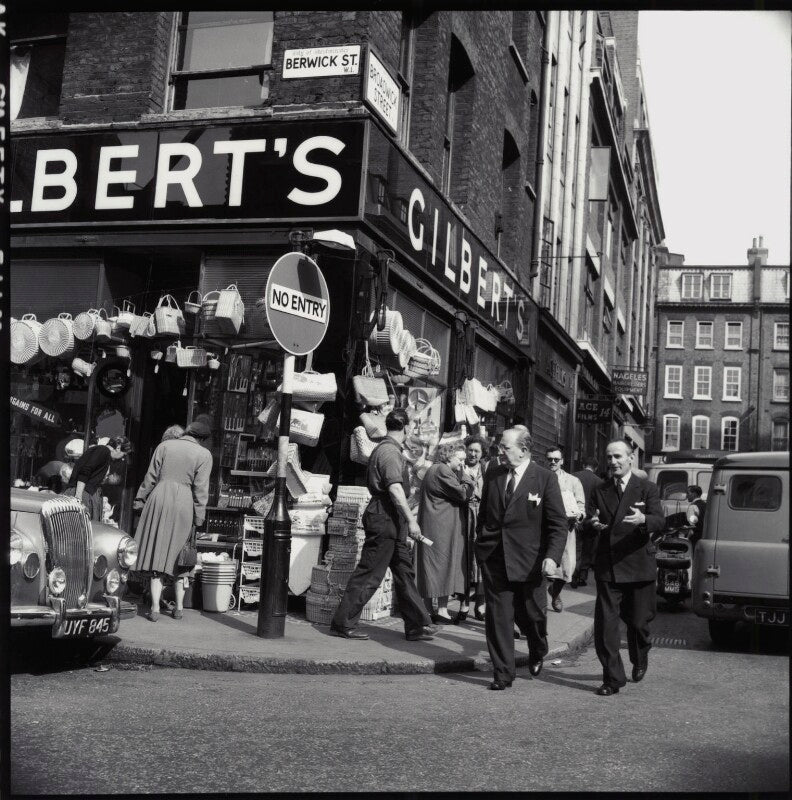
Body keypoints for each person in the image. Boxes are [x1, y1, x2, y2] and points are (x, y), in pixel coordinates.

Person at [475, 426, 568, 690]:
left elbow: (558, 524)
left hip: (530, 561)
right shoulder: (493, 473)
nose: (499, 452)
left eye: (505, 447)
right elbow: (485, 514)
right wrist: (480, 543)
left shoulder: (544, 478)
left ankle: (538, 647)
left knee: (532, 614)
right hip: (494, 557)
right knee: (498, 617)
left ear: (524, 450)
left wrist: (552, 557)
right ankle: (503, 673)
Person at [331, 410, 436, 641]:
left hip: (391, 518)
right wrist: (411, 521)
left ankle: (417, 625)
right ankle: (343, 623)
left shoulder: (389, 449)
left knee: (404, 573)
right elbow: (395, 489)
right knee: (370, 573)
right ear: (406, 428)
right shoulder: (389, 451)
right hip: (385, 517)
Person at [590, 439, 664, 696]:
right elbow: (592, 516)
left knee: (638, 622)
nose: (613, 462)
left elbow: (659, 520)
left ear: (631, 458)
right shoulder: (600, 489)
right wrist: (593, 523)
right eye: (609, 457)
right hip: (609, 566)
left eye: (618, 457)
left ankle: (641, 655)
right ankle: (612, 679)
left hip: (638, 565)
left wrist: (644, 519)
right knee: (606, 626)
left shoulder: (647, 488)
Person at [133, 420, 213, 622]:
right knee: (180, 557)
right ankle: (178, 608)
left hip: (159, 497)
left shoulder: (164, 446)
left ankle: (154, 608)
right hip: (183, 502)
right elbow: (201, 490)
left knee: (156, 555)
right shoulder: (204, 455)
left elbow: (150, 477)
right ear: (202, 439)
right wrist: (199, 517)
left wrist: (140, 499)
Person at [415, 442, 474, 623]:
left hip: (435, 524)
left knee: (432, 564)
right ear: (449, 456)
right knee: (442, 563)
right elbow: (464, 493)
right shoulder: (443, 471)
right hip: (441, 527)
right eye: (460, 459)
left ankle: (429, 609)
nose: (463, 463)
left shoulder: (434, 469)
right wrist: (467, 477)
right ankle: (441, 611)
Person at [545, 446, 585, 613]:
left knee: (567, 569)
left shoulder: (573, 481)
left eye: (556, 459)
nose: (553, 462)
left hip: (566, 529)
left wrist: (579, 515)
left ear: (562, 461)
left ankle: (555, 592)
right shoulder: (540, 477)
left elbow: (581, 506)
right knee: (544, 568)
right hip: (544, 529)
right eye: (550, 459)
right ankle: (539, 606)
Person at [63, 436, 133, 520]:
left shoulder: (105, 455)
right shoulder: (103, 450)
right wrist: (78, 497)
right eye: (124, 454)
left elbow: (92, 475)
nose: (123, 457)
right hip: (83, 493)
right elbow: (85, 471)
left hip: (87, 493)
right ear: (118, 448)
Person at [462, 435, 490, 621]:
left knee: (480, 561)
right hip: (462, 515)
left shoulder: (486, 470)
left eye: (476, 451)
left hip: (481, 516)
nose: (472, 454)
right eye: (470, 450)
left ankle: (480, 605)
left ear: (482, 454)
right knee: (463, 560)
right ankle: (463, 604)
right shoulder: (459, 467)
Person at [571, 456, 604, 587]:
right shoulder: (599, 482)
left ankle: (573, 574)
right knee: (588, 549)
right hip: (591, 519)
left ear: (583, 464)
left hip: (576, 518)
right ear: (595, 468)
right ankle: (582, 576)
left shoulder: (573, 477)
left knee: (575, 547)